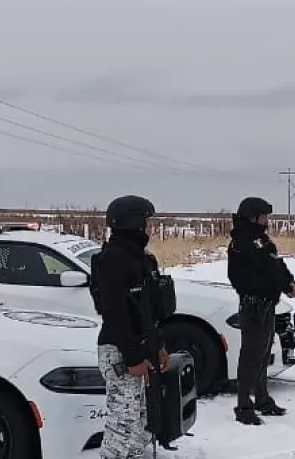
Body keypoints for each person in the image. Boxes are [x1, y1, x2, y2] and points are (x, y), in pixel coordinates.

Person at [92, 194, 171, 459]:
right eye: (147, 221)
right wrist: (134, 357)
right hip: (120, 351)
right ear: (133, 223)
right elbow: (115, 315)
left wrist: (158, 346)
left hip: (142, 348)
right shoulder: (113, 260)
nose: (150, 227)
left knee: (140, 425)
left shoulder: (141, 259)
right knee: (122, 427)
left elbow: (147, 312)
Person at [227, 196, 295, 425]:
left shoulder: (260, 239)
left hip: (266, 303)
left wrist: (289, 281)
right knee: (250, 356)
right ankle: (243, 406)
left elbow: (276, 264)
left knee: (263, 352)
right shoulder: (243, 242)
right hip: (253, 304)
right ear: (253, 216)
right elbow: (265, 269)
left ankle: (262, 399)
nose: (267, 220)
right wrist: (284, 284)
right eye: (264, 216)